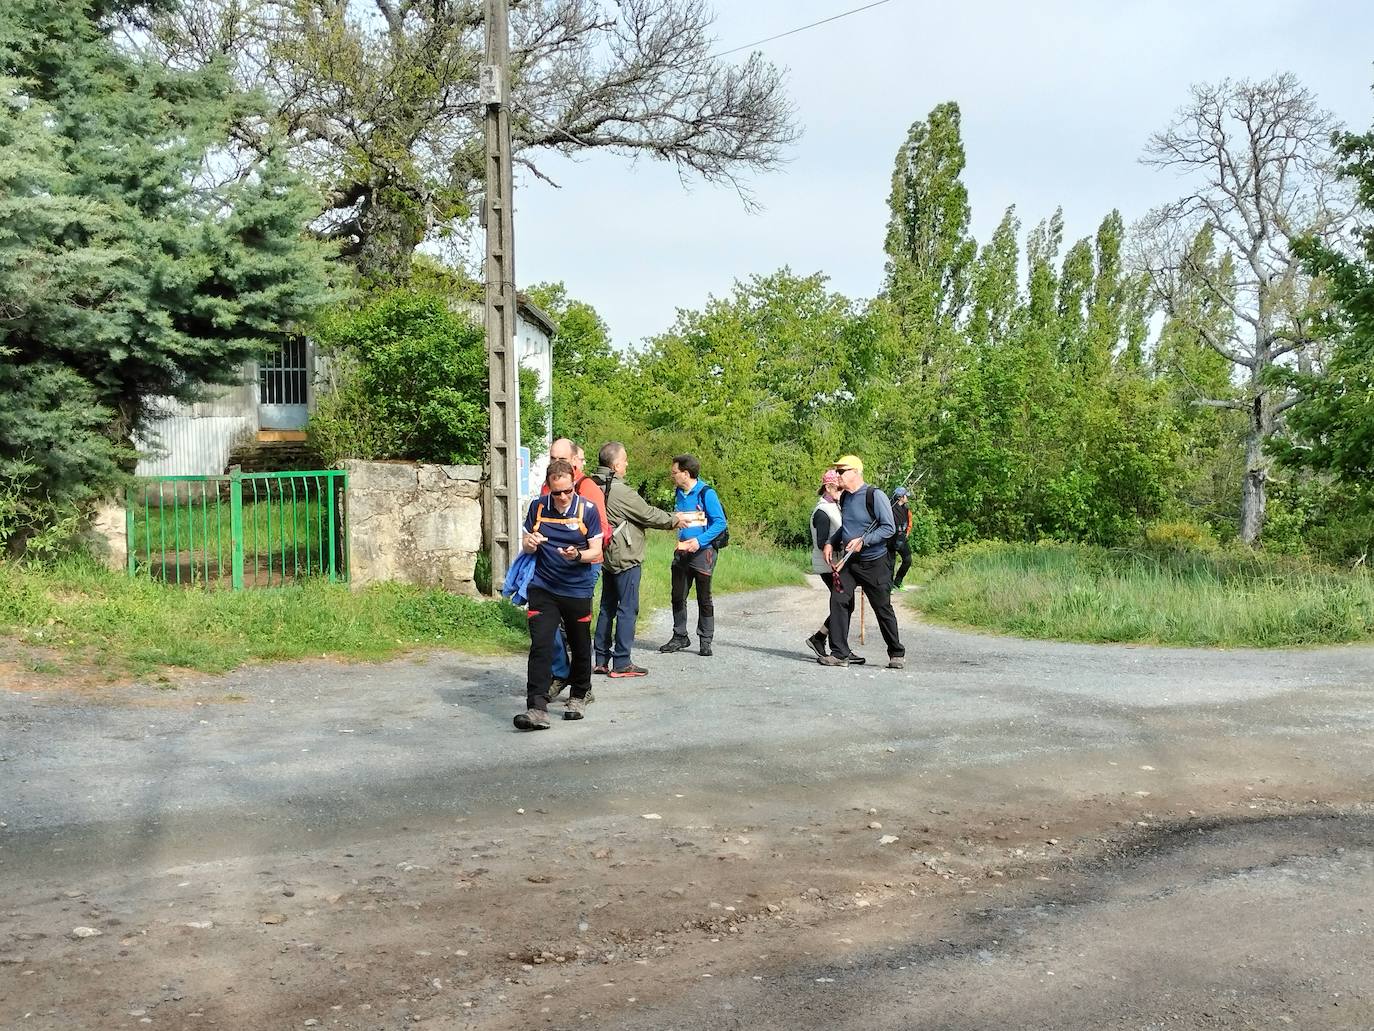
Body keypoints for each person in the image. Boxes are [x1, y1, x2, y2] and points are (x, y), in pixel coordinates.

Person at [514, 459, 603, 731]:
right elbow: (528, 546)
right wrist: (529, 544)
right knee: (541, 644)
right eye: (557, 492)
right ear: (549, 488)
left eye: (568, 491)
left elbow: (596, 552)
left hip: (577, 587)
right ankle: (536, 708)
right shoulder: (538, 507)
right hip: (543, 586)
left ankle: (579, 694)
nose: (563, 497)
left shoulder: (587, 510)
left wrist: (577, 555)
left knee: (579, 643)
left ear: (574, 485)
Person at [591, 442, 686, 677]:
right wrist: (675, 519)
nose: (627, 464)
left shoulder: (592, 485)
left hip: (605, 554)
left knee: (606, 607)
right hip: (625, 555)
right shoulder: (620, 491)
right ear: (615, 465)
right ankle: (622, 662)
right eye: (624, 460)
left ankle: (601, 659)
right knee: (627, 608)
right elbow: (648, 514)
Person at [818, 455, 906, 670]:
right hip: (850, 563)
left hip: (875, 562)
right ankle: (839, 653)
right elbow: (846, 528)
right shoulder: (846, 498)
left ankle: (896, 653)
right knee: (839, 601)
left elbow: (888, 528)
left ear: (855, 472)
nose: (838, 475)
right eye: (836, 472)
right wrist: (831, 542)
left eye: (842, 471)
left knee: (882, 607)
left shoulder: (875, 496)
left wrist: (864, 541)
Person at [542, 438, 609, 697]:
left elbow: (601, 529)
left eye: (560, 458)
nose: (555, 462)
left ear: (573, 460)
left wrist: (576, 550)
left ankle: (582, 686)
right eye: (551, 458)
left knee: (575, 627)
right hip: (552, 566)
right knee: (548, 624)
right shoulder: (547, 486)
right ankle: (561, 673)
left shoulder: (587, 487)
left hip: (584, 565)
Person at [659, 454, 727, 657]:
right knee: (677, 595)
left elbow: (720, 523)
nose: (672, 476)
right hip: (682, 551)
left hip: (702, 553)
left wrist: (699, 541)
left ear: (685, 473)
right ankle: (680, 636)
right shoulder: (678, 492)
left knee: (703, 597)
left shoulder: (707, 493)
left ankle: (705, 640)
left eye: (674, 472)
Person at [805, 469, 844, 658]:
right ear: (828, 487)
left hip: (837, 562)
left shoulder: (835, 505)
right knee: (843, 604)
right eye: (839, 488)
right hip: (828, 564)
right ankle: (823, 640)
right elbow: (822, 542)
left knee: (843, 604)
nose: (842, 491)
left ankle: (822, 639)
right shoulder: (822, 511)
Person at [890, 486, 914, 591]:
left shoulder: (906, 509)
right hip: (891, 539)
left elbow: (909, 522)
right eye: (905, 496)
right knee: (891, 563)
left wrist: (907, 533)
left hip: (902, 539)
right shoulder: (890, 508)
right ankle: (889, 586)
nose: (907, 498)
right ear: (900, 497)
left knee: (908, 560)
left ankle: (898, 582)